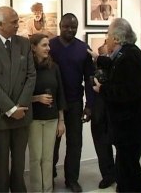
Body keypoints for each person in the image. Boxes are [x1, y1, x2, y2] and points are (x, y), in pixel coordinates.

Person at [0, 6, 36, 192]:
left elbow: (31, 76)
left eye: (18, 21)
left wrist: (21, 106)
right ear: (0, 24)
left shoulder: (24, 44)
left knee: (19, 163)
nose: (17, 25)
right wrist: (11, 109)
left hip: (23, 114)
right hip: (1, 115)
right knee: (1, 163)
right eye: (13, 22)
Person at [88, 18, 141, 192]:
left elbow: (127, 92)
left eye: (108, 35)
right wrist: (98, 58)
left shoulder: (129, 57)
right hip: (129, 128)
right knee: (125, 171)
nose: (106, 39)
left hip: (131, 128)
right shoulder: (126, 53)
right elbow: (116, 65)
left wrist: (103, 89)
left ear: (116, 38)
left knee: (129, 172)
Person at [50, 13, 95, 192]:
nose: (70, 30)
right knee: (52, 143)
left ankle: (72, 179)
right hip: (53, 103)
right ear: (60, 25)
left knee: (75, 143)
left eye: (73, 27)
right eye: (66, 26)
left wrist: (89, 104)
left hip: (75, 101)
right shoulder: (50, 46)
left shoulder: (83, 48)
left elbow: (89, 79)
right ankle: (49, 175)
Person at [28, 33, 66, 192]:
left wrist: (61, 120)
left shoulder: (54, 67)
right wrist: (37, 98)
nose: (48, 48)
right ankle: (37, 190)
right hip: (34, 119)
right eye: (44, 45)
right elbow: (19, 95)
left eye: (48, 45)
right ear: (34, 48)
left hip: (52, 119)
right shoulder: (27, 69)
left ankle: (48, 189)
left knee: (48, 158)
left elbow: (60, 94)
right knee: (36, 158)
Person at [90, 41, 116, 189]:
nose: (107, 55)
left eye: (109, 53)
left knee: (120, 146)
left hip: (116, 109)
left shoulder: (121, 64)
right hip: (99, 109)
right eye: (103, 54)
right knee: (101, 144)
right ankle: (108, 175)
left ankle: (120, 174)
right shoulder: (95, 66)